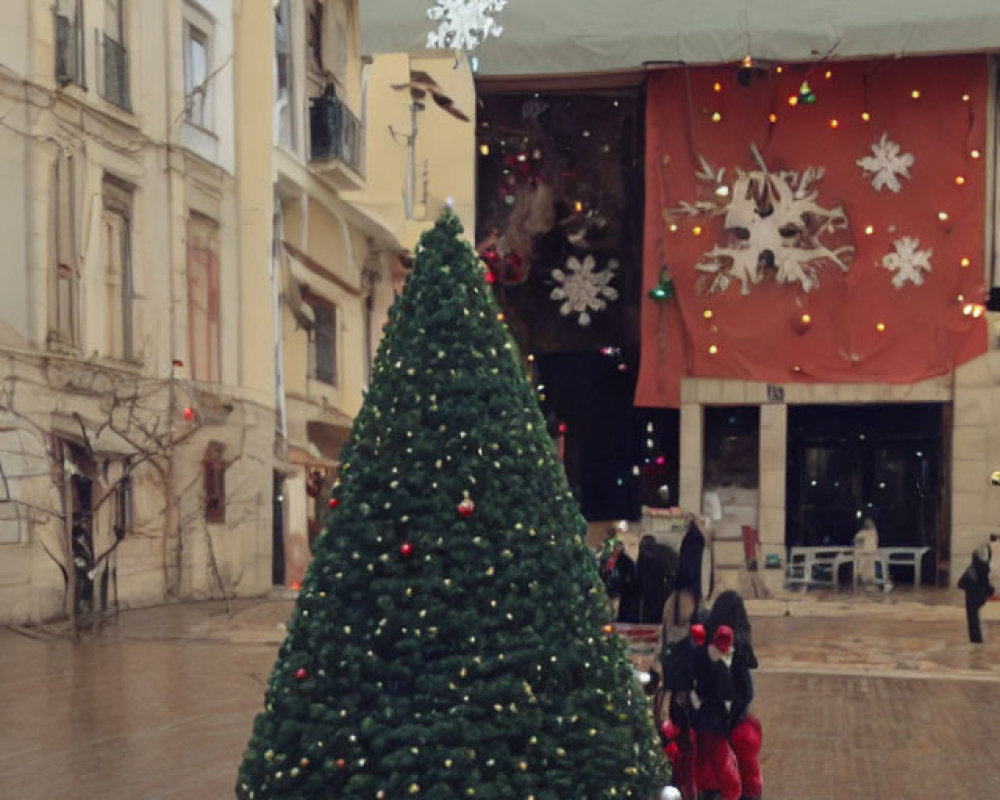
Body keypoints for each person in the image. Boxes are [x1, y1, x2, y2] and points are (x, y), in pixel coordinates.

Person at [958, 545, 994, 643]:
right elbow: (984, 583)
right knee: (973, 617)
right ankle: (976, 640)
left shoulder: (976, 566)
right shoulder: (981, 567)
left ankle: (976, 639)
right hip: (974, 592)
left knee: (972, 617)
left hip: (972, 592)